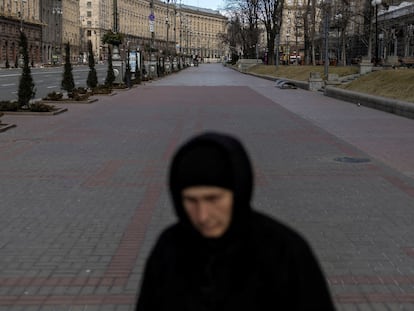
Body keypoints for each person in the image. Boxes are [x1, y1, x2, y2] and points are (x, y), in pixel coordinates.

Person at [136, 132, 335, 310]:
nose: (202, 215)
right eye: (191, 201)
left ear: (238, 193)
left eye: (213, 199)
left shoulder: (284, 250)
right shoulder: (169, 247)